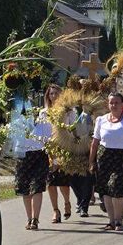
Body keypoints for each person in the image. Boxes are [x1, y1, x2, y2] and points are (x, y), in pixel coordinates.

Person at [89, 92, 123, 231]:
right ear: (108, 104)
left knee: (117, 189)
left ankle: (119, 220)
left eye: (117, 102)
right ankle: (111, 221)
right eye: (111, 102)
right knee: (106, 190)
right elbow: (95, 142)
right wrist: (91, 161)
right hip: (105, 157)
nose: (114, 105)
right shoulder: (101, 120)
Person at [15, 99, 52, 230]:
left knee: (36, 187)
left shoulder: (43, 122)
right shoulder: (18, 123)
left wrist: (55, 158)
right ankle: (29, 218)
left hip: (39, 155)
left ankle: (35, 219)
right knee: (25, 188)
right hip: (23, 157)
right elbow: (14, 140)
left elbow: (49, 140)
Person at [41, 85, 72, 223]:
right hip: (48, 149)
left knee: (63, 182)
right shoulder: (43, 112)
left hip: (63, 147)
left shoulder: (68, 111)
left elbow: (72, 128)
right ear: (48, 96)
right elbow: (41, 130)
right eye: (51, 94)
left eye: (56, 93)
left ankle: (67, 202)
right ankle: (55, 210)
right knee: (50, 182)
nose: (54, 96)